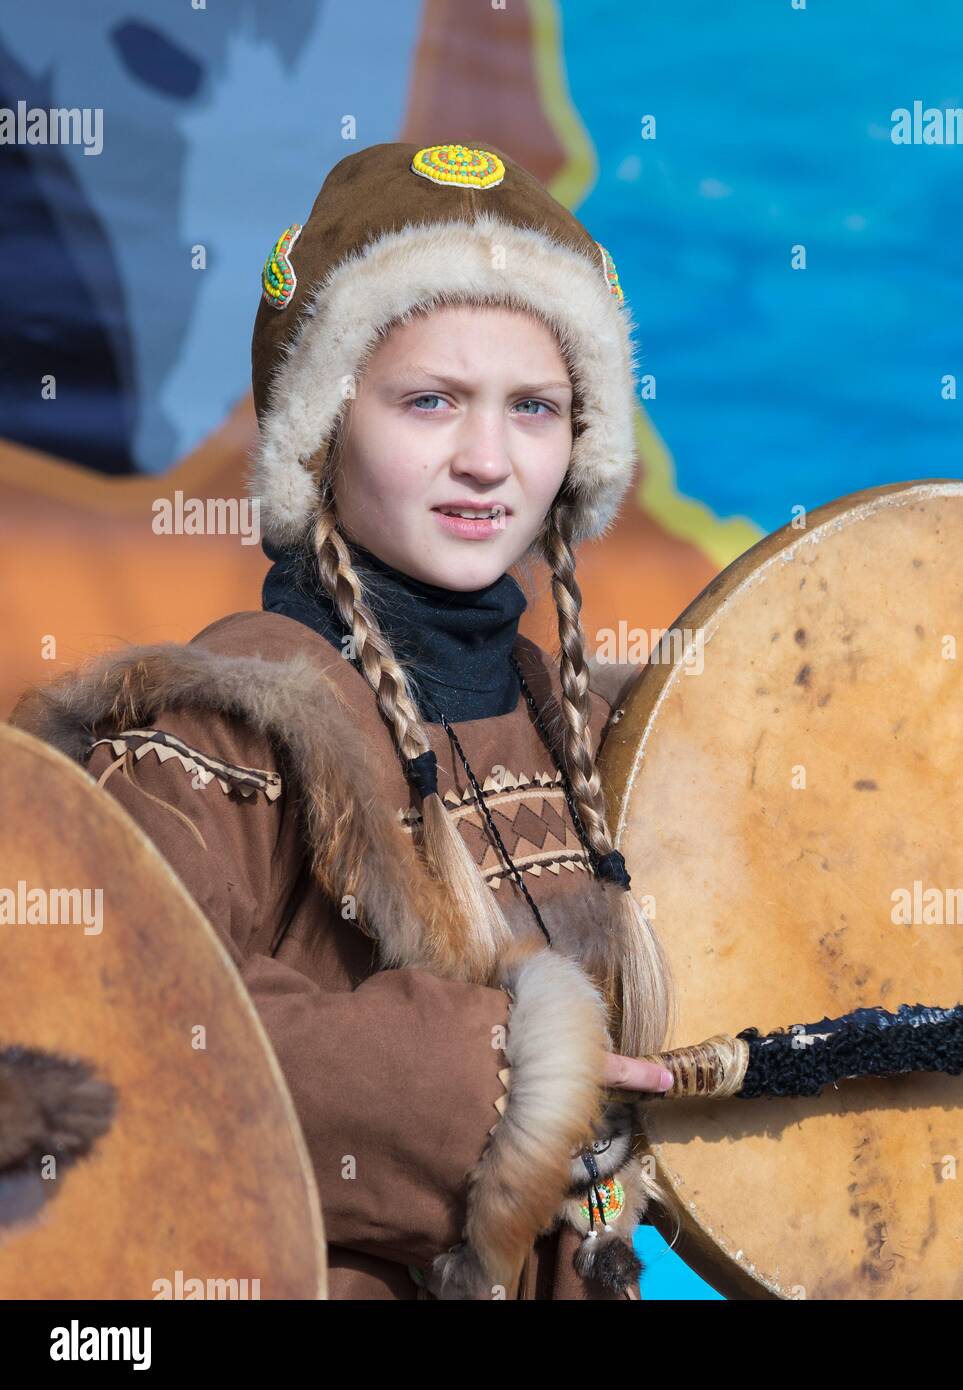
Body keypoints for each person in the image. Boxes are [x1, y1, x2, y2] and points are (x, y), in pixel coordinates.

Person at [11, 140, 678, 1301]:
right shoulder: (220, 720)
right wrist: (503, 1083)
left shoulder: (596, 740)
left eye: (534, 407)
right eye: (430, 401)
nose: (486, 460)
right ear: (323, 428)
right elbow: (110, 1022)